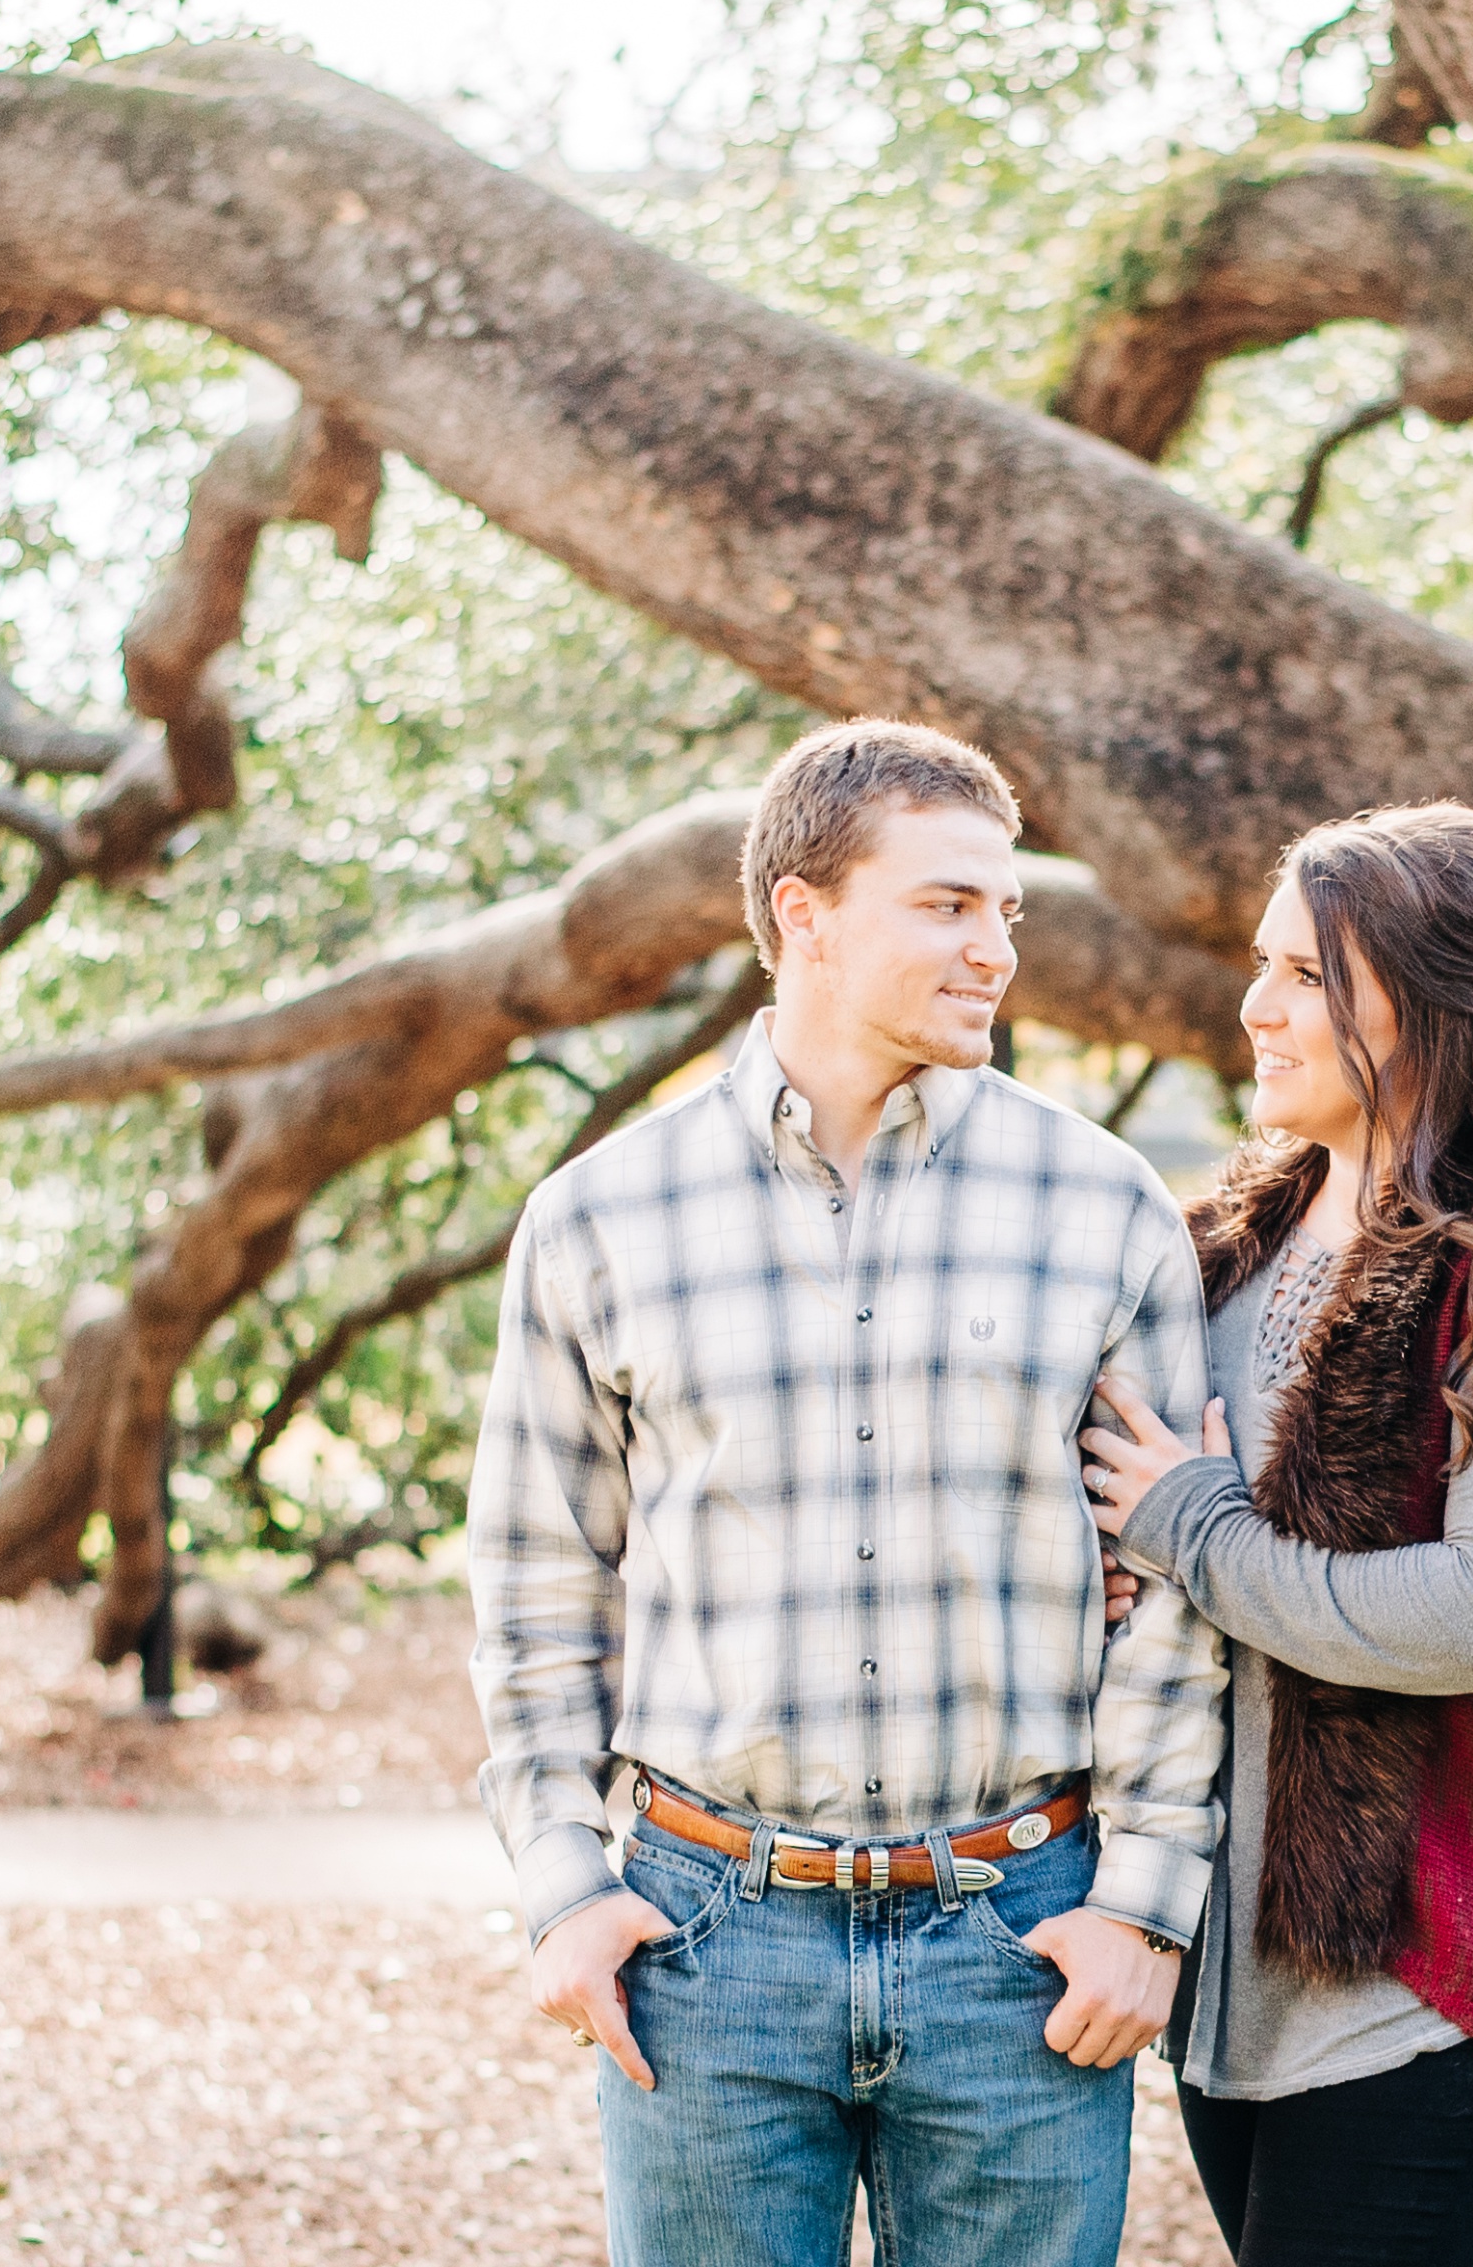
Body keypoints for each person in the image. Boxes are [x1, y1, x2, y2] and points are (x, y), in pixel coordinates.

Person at [468, 721, 1232, 2267]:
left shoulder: (1103, 1207)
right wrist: (562, 1881)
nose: (995, 948)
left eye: (1005, 911)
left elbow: (1172, 1589)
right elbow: (539, 1587)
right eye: (948, 903)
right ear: (802, 914)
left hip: (1020, 1939)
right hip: (708, 1937)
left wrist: (1145, 1903)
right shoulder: (600, 1216)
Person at [1078, 801, 1473, 2267]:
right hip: (1259, 1964)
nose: (1254, 1006)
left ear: (1419, 1000)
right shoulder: (1233, 1243)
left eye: (1304, 974)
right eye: (1262, 965)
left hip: (1467, 1957)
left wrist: (1192, 1533)